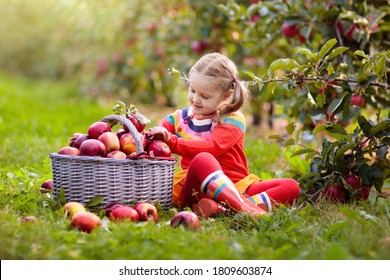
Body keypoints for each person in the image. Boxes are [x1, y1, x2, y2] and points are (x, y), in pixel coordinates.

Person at [149, 52, 300, 218]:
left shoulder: (233, 119)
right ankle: (245, 208)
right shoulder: (179, 118)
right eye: (193, 91)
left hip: (237, 186)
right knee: (203, 160)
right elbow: (156, 135)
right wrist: (159, 134)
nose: (196, 99)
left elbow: (213, 147)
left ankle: (226, 209)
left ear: (226, 95)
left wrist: (173, 142)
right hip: (198, 189)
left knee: (291, 186)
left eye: (205, 96)